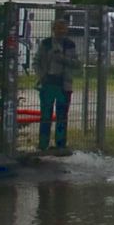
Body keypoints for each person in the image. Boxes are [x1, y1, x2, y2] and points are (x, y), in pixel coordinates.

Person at [35, 18, 79, 151]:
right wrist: (41, 76)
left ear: (66, 30)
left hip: (63, 85)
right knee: (46, 115)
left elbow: (76, 63)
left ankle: (60, 144)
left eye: (63, 28)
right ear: (53, 29)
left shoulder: (70, 45)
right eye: (58, 28)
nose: (60, 31)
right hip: (48, 83)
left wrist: (62, 58)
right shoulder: (46, 44)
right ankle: (43, 144)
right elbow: (36, 61)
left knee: (62, 116)